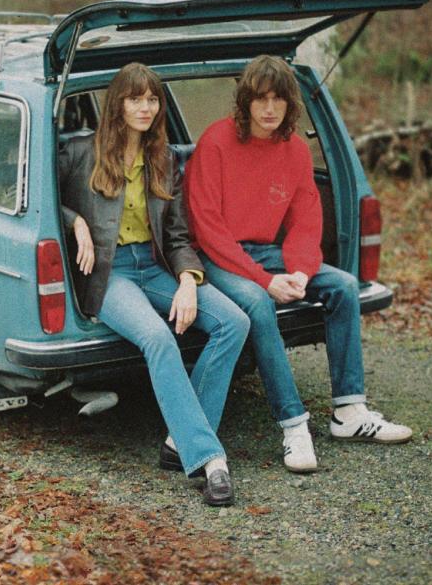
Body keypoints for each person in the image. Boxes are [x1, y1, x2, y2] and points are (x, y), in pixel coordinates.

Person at [183, 54, 412, 474]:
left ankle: (349, 410)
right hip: (218, 256)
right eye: (260, 99)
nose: (269, 109)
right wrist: (266, 281)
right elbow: (208, 227)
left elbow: (306, 218)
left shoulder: (294, 151)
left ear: (290, 105)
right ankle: (293, 425)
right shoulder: (216, 142)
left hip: (267, 253)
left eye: (279, 100)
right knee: (256, 302)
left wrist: (302, 272)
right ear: (246, 102)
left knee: (342, 285)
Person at [59, 62, 249, 506]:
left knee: (234, 323)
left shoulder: (163, 159)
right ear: (118, 103)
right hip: (110, 274)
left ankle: (179, 441)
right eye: (135, 98)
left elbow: (178, 234)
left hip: (155, 266)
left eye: (152, 99)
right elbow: (39, 200)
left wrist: (187, 279)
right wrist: (77, 224)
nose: (145, 108)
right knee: (157, 338)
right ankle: (210, 461)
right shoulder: (81, 152)